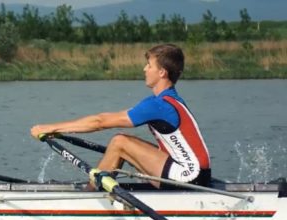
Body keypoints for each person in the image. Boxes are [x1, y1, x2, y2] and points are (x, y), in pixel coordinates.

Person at [31, 44, 210, 189]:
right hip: (196, 175)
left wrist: (50, 127)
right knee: (124, 145)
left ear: (162, 72)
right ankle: (98, 190)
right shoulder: (169, 99)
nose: (144, 69)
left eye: (149, 65)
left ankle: (90, 196)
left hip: (189, 177)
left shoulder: (159, 105)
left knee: (119, 142)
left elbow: (100, 122)